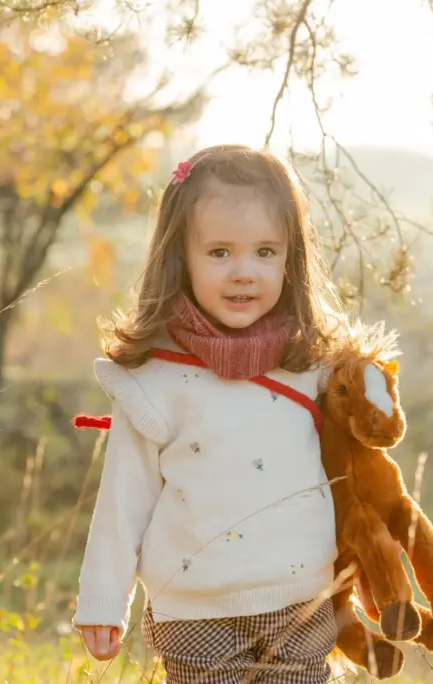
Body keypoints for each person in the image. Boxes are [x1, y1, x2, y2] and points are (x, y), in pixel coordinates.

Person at [72, 144, 349, 683]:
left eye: (266, 252)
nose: (244, 272)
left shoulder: (313, 368)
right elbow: (124, 498)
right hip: (196, 606)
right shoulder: (154, 380)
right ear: (181, 257)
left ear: (291, 259)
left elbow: (355, 477)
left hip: (301, 599)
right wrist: (104, 600)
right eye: (220, 252)